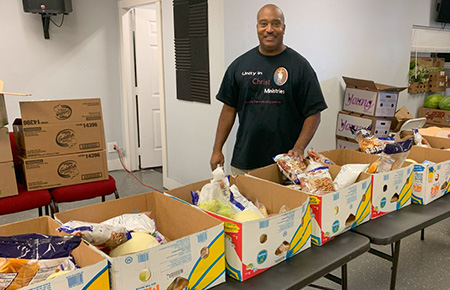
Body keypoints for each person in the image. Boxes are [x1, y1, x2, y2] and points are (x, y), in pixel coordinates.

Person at [210, 4, 327, 174]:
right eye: (263, 23)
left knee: (284, 202)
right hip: (245, 160)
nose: (269, 29)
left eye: (276, 23)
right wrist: (216, 149)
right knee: (244, 200)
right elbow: (228, 109)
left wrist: (299, 147)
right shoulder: (239, 66)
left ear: (283, 28)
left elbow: (314, 113)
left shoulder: (300, 67)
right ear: (257, 27)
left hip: (286, 164)